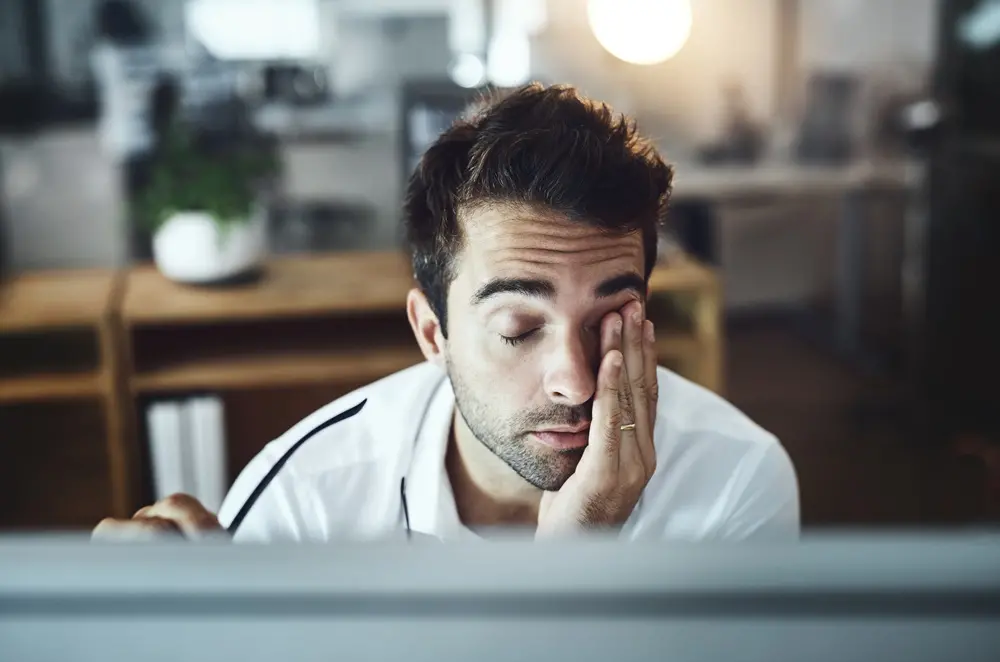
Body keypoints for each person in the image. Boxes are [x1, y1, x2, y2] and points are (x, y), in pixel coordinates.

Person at [94, 84, 799, 542]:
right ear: (433, 332)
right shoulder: (308, 499)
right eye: (519, 330)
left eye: (610, 321)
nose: (577, 382)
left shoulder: (735, 479)